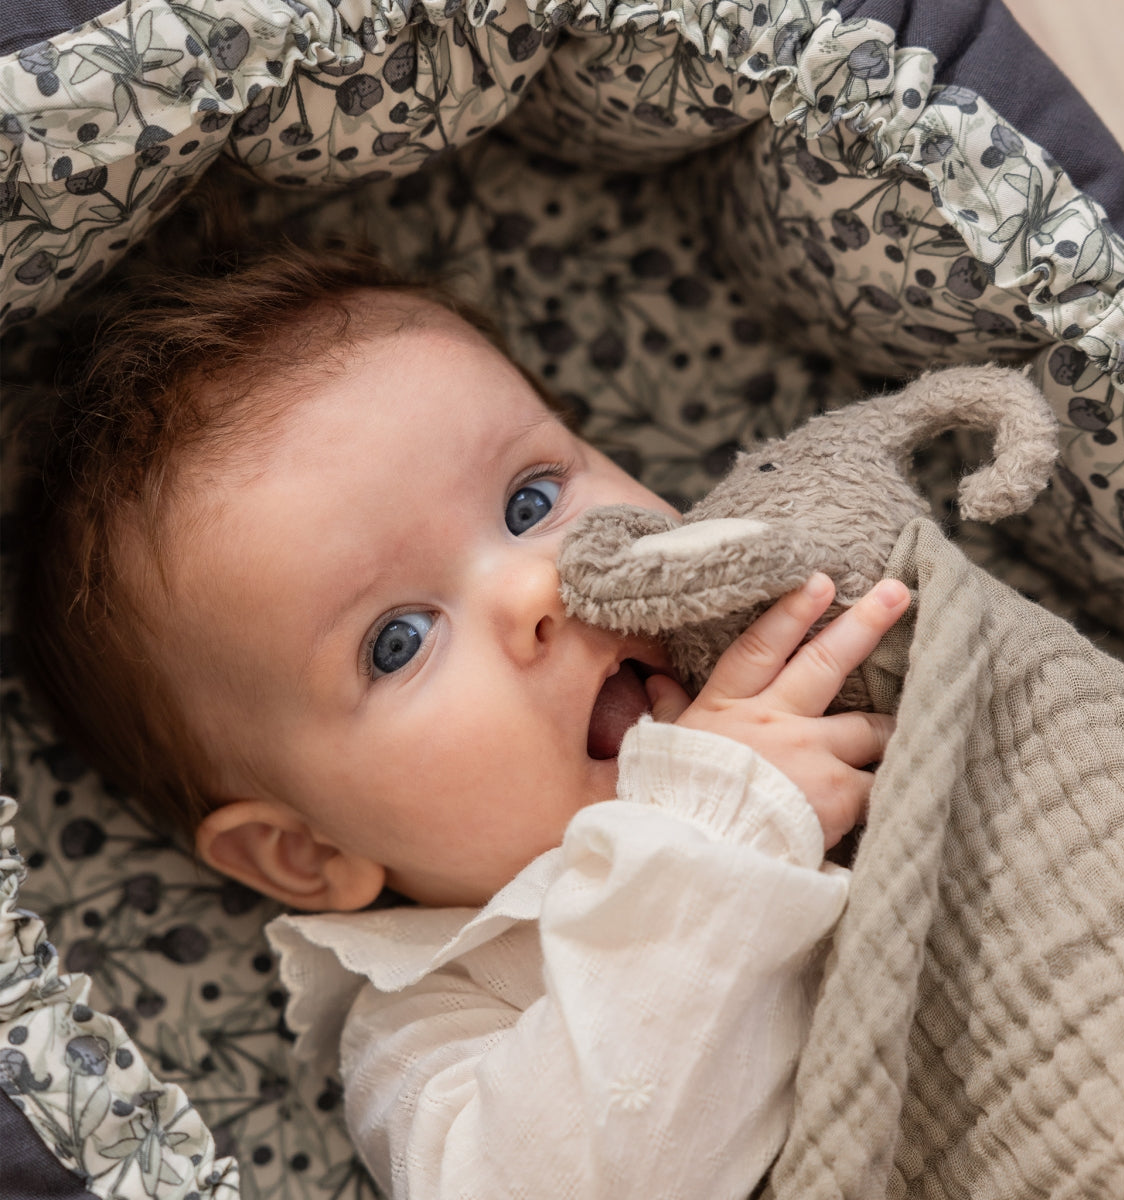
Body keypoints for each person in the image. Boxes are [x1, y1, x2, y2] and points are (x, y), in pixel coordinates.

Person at [17, 246, 909, 1199]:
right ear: (306, 852)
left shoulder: (825, 627)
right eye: (397, 642)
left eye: (532, 501)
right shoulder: (435, 1020)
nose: (537, 587)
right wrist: (721, 829)